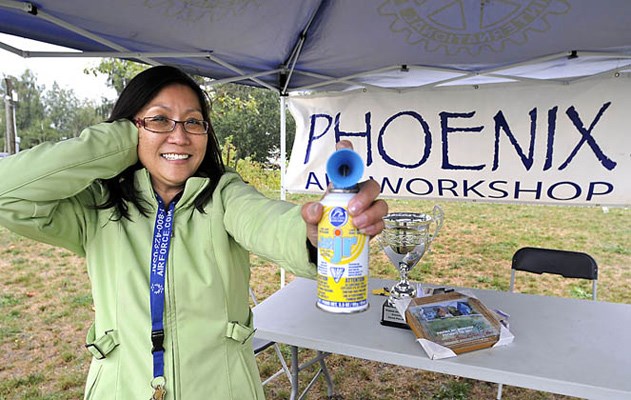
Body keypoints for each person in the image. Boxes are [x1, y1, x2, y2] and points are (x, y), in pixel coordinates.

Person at [0, 65, 387, 399]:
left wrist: (313, 233)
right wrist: (118, 141)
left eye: (193, 121)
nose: (180, 136)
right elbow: (7, 193)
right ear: (129, 128)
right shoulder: (96, 208)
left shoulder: (224, 195)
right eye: (159, 119)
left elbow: (266, 221)